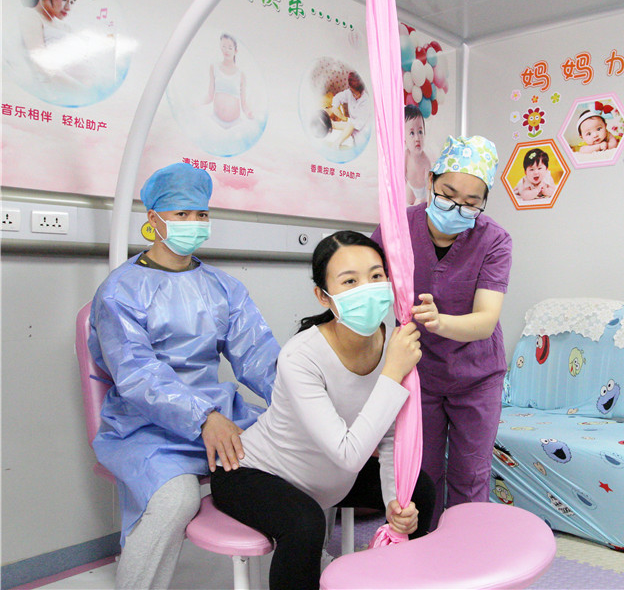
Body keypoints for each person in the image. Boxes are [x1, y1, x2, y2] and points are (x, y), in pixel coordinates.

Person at [89, 162, 280, 589]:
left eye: (201, 214)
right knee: (176, 499)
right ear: (153, 218)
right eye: (181, 214)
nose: (193, 223)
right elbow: (138, 374)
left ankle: (308, 569)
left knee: (296, 461)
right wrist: (203, 417)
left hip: (222, 417)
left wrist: (302, 396)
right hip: (146, 426)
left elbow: (258, 354)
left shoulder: (223, 288)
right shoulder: (120, 291)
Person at [211, 231, 435, 590]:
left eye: (376, 276)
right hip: (254, 472)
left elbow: (391, 436)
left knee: (418, 489)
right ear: (323, 296)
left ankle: (403, 579)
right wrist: (392, 373)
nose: (367, 288)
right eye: (350, 281)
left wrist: (396, 502)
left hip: (330, 478)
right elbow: (348, 454)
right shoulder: (301, 357)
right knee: (305, 524)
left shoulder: (393, 342)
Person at [372, 136, 512, 529]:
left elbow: (485, 320)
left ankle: (465, 550)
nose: (456, 207)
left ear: (484, 202)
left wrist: (439, 321)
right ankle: (425, 550)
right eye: (448, 194)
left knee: (470, 475)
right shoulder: (396, 228)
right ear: (431, 180)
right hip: (420, 373)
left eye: (470, 202)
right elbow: (370, 286)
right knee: (422, 473)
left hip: (476, 375)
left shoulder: (494, 240)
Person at [202, 33, 253, 129]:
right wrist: (197, 104)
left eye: (230, 48)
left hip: (235, 124)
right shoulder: (214, 67)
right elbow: (209, 96)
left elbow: (244, 104)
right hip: (215, 121)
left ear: (235, 51)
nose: (226, 50)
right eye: (224, 47)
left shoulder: (241, 75)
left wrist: (249, 113)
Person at [330, 71, 370, 148]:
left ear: (361, 90)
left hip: (361, 132)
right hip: (351, 126)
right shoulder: (349, 93)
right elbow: (337, 98)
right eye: (352, 92)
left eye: (356, 93)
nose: (354, 96)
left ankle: (336, 142)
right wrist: (334, 107)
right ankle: (336, 142)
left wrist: (343, 119)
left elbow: (357, 124)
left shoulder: (366, 101)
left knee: (349, 127)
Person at [405, 105, 433, 205]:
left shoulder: (426, 160)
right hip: (411, 186)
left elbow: (429, 183)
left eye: (420, 132)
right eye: (412, 133)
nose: (417, 138)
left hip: (423, 190)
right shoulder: (406, 156)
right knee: (408, 202)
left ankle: (421, 202)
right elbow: (402, 175)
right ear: (404, 139)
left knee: (422, 204)